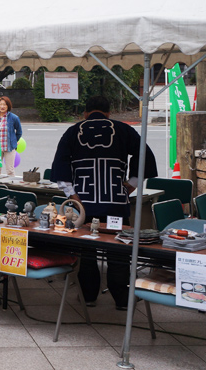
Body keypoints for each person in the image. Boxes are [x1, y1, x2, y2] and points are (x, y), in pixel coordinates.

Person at [50, 95, 158, 309]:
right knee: (118, 251)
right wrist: (131, 184)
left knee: (87, 252)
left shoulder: (73, 131)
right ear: (109, 113)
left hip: (84, 205)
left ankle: (88, 296)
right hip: (115, 204)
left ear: (85, 113)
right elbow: (144, 155)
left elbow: (61, 166)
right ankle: (122, 300)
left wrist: (73, 195)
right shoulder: (123, 129)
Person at [0, 96, 22, 175]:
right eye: (0, 104)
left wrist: (14, 141)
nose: (2, 107)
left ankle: (11, 186)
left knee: (10, 170)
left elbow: (19, 132)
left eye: (4, 105)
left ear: (8, 106)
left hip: (9, 147)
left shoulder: (14, 118)